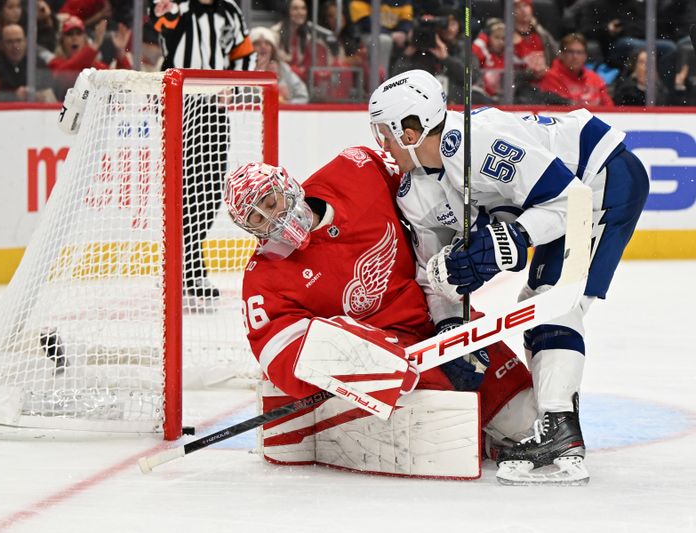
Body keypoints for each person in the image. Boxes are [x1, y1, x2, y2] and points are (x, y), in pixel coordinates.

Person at [368, 69, 650, 484]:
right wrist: (452, 328)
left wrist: (511, 238)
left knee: (555, 297)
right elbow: (434, 274)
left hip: (603, 175)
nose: (383, 145)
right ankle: (556, 422)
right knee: (540, 303)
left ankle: (559, 427)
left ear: (409, 130)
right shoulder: (416, 196)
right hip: (572, 197)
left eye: (385, 133)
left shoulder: (475, 141)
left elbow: (569, 200)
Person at [221, 149, 538, 476]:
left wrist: (451, 317)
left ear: (286, 185)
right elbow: (278, 351)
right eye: (257, 219)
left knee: (531, 422)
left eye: (271, 203)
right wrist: (364, 365)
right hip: (397, 359)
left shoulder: (354, 170)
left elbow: (423, 192)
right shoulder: (264, 278)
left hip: (435, 315)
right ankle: (482, 436)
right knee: (458, 439)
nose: (273, 220)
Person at [152, 0, 255, 301]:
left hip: (214, 106)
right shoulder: (177, 4)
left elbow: (243, 52)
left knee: (209, 191)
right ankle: (184, 267)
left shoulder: (230, 9)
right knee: (183, 189)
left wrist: (233, 85)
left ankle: (188, 263)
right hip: (178, 104)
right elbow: (160, 25)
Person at [47, 16, 131, 100]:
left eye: (78, 33)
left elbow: (120, 84)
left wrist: (120, 52)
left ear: (85, 39)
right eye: (69, 34)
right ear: (62, 41)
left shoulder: (95, 66)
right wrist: (95, 45)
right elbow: (66, 73)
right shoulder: (55, 63)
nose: (74, 38)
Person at [535, 33, 614, 107]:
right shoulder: (551, 77)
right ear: (561, 54)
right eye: (570, 52)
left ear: (585, 56)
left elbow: (609, 107)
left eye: (579, 52)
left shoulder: (594, 78)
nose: (575, 56)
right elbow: (559, 108)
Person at [0, 23, 57, 101]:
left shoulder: (37, 63)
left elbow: (49, 90)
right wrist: (14, 95)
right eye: (9, 42)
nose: (15, 46)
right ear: (1, 45)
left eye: (19, 41)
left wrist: (34, 94)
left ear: (26, 42)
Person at [250, 26, 308, 104]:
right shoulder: (243, 68)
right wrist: (258, 74)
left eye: (267, 43)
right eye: (257, 44)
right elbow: (242, 99)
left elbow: (303, 96)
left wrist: (288, 103)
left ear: (273, 49)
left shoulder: (283, 68)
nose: (263, 47)